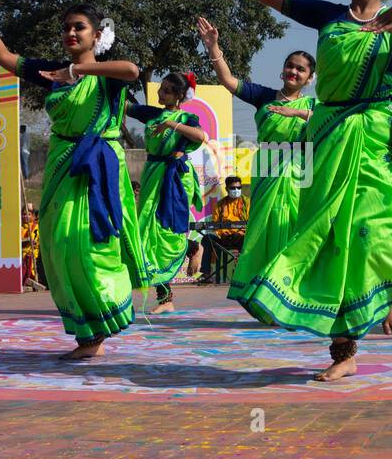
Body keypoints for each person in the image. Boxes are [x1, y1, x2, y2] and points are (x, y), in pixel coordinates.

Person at [182, 0, 392, 380]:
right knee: (331, 238)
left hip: (378, 135)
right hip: (330, 137)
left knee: (373, 221)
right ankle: (345, 351)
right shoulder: (328, 16)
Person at [0, 0, 150, 359]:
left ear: (96, 35)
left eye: (79, 28)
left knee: (87, 244)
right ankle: (88, 337)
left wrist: (78, 70)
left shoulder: (105, 74)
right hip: (62, 165)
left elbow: (132, 70)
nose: (71, 34)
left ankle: (110, 309)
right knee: (57, 247)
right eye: (67, 28)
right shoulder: (53, 73)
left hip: (98, 168)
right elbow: (7, 58)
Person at [200, 16, 318, 300]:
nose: (293, 72)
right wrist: (213, 48)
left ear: (310, 77)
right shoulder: (264, 96)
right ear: (282, 71)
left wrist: (299, 113)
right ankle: (265, 293)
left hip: (302, 169)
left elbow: (331, 125)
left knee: (292, 228)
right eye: (290, 66)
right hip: (267, 166)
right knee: (265, 229)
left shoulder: (315, 105)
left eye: (300, 69)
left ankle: (290, 292)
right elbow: (228, 81)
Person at [125, 72, 207, 313]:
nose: (161, 94)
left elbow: (201, 136)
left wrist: (172, 124)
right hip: (153, 175)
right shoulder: (152, 113)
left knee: (169, 232)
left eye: (167, 91)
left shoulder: (188, 118)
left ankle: (193, 247)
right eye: (161, 89)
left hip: (175, 178)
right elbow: (126, 106)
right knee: (149, 236)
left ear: (180, 96)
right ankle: (165, 298)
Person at [201, 176, 248, 283]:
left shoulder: (247, 203)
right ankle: (206, 273)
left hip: (241, 237)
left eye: (238, 188)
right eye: (233, 188)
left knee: (249, 240)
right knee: (207, 239)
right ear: (226, 189)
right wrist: (224, 232)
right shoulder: (219, 205)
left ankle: (243, 273)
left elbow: (251, 223)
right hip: (224, 238)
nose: (236, 190)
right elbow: (215, 225)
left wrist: (239, 231)